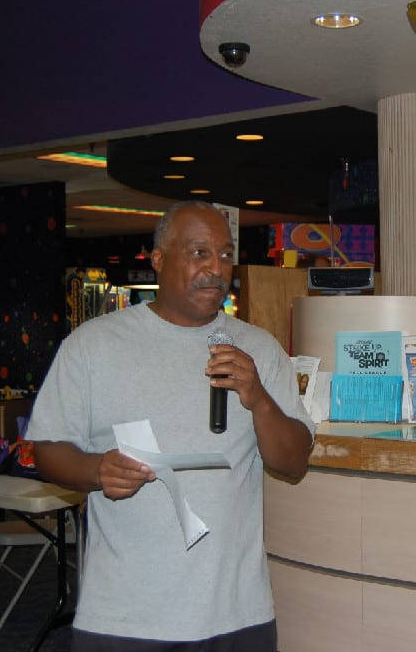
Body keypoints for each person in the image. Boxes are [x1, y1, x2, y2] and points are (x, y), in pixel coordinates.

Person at [27, 201, 315, 651]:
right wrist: (96, 471)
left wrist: (258, 399)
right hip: (124, 617)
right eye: (199, 253)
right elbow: (48, 449)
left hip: (237, 613)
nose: (216, 269)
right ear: (159, 259)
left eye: (224, 254)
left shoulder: (259, 348)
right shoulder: (93, 346)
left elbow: (293, 462)